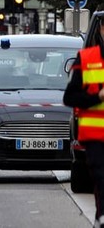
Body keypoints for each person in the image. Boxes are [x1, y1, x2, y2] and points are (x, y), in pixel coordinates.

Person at [64, 20, 104, 226]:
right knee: (101, 177)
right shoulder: (87, 59)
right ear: (102, 29)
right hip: (95, 136)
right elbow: (69, 97)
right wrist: (97, 97)